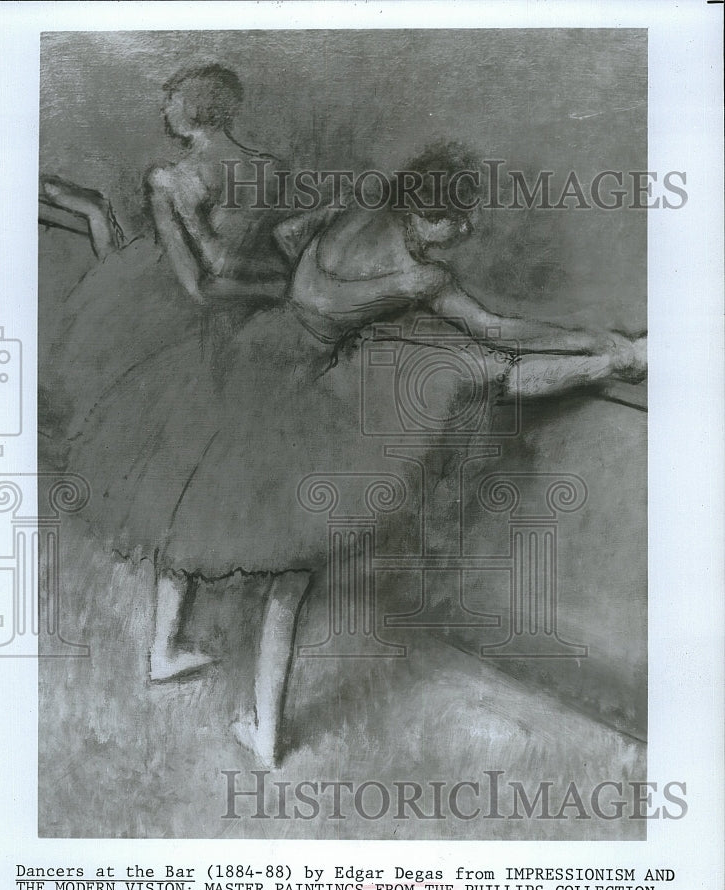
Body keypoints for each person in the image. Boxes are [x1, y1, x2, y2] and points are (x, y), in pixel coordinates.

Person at [62, 140, 646, 767]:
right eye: (453, 223)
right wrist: (593, 336)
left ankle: (163, 653)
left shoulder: (356, 206)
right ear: (425, 215)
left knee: (188, 502)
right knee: (286, 571)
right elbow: (496, 328)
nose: (461, 234)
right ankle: (265, 729)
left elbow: (286, 239)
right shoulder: (424, 277)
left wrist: (320, 299)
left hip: (247, 351)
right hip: (294, 390)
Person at [39, 64, 287, 458]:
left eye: (170, 102)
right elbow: (232, 254)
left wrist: (182, 212)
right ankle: (94, 211)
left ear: (192, 107)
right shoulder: (268, 166)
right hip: (205, 276)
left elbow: (196, 281)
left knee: (115, 281)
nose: (164, 112)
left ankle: (93, 212)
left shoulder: (169, 178)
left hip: (171, 284)